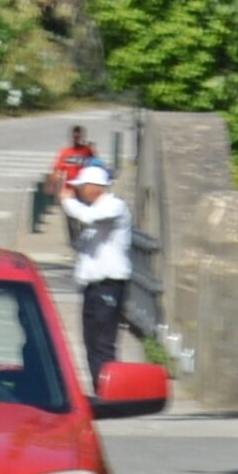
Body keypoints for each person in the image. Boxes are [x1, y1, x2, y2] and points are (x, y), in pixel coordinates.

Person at [60, 161, 136, 377]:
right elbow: (80, 243)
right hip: (92, 288)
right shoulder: (93, 210)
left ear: (94, 187)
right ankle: (98, 388)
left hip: (109, 286)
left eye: (81, 187)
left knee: (103, 344)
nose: (79, 191)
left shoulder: (114, 205)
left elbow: (88, 216)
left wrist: (68, 202)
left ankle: (108, 392)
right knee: (91, 345)